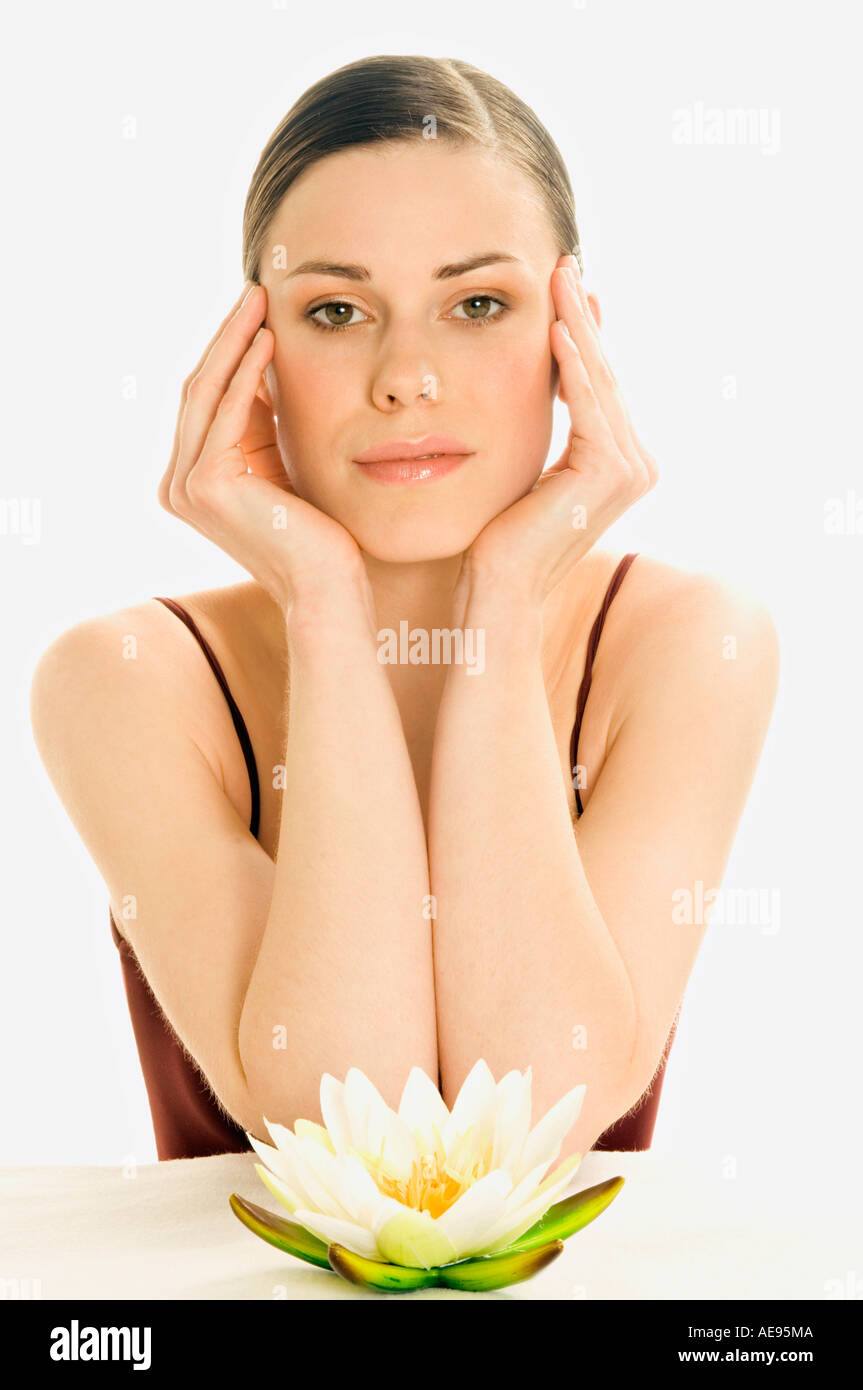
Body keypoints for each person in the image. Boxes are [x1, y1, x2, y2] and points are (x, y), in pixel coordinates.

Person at [30, 54, 779, 1163]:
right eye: (336, 310)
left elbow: (532, 1116)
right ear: (256, 358)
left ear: (574, 340)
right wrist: (321, 604)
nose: (406, 375)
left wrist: (505, 603)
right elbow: (353, 1120)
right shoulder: (131, 675)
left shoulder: (682, 645)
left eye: (476, 303)